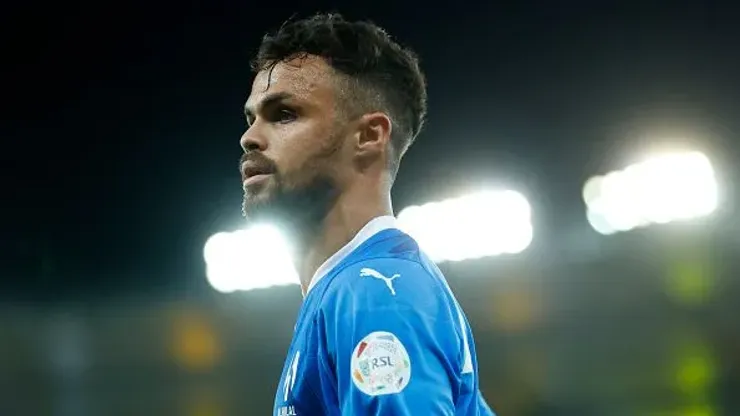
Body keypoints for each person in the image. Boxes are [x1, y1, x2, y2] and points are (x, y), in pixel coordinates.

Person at [239, 13, 495, 416]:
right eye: (251, 118)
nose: (249, 137)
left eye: (284, 114)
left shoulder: (375, 294)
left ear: (369, 136)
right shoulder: (345, 293)